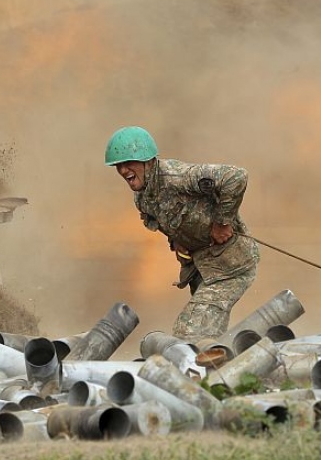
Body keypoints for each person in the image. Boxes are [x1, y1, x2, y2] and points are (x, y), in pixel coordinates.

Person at [104, 125, 259, 343]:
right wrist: (178, 241)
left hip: (230, 265)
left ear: (148, 161)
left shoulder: (178, 177)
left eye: (128, 163)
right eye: (118, 166)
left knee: (190, 333)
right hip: (203, 269)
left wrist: (222, 222)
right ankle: (223, 366)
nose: (122, 170)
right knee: (207, 334)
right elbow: (168, 222)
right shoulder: (143, 198)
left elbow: (236, 177)